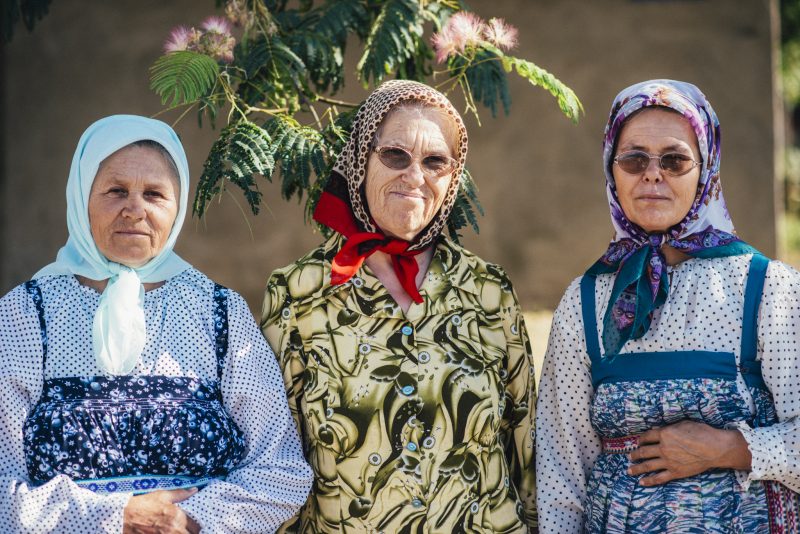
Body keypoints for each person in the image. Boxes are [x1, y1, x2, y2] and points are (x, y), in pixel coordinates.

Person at [0, 115, 313, 533]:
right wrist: (116, 518)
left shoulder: (219, 311)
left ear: (177, 206)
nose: (135, 209)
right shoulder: (24, 315)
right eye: (115, 191)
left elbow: (281, 467)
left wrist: (190, 521)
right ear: (80, 196)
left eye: (154, 193)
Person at [260, 80, 537, 533]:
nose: (415, 176)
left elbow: (526, 448)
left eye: (435, 162)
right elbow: (275, 460)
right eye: (395, 155)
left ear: (453, 177)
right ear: (359, 160)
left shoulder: (491, 291)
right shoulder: (296, 292)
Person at [536, 79, 800, 532]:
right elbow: (561, 471)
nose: (652, 174)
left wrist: (731, 448)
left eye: (675, 159)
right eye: (634, 158)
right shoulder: (587, 298)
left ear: (706, 169)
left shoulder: (768, 289)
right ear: (611, 170)